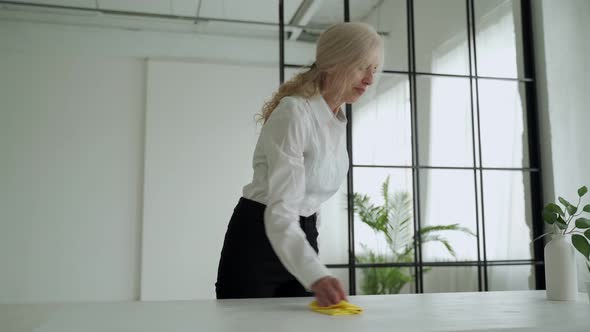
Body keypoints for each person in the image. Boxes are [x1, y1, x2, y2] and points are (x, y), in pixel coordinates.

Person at [215, 22, 384, 307]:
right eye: (361, 67)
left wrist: (311, 249)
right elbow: (282, 209)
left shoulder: (336, 121)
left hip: (301, 238)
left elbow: (311, 200)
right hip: (259, 239)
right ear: (333, 63)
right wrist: (315, 273)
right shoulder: (293, 113)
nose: (368, 79)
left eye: (374, 71)